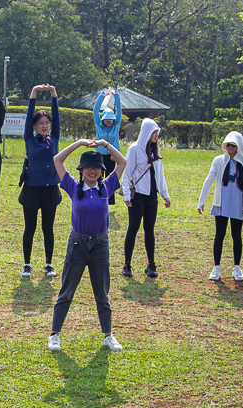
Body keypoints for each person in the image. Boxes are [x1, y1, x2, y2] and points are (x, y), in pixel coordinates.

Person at [48, 139, 127, 353]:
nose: (92, 171)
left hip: (100, 244)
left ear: (101, 171)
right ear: (81, 170)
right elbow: (57, 159)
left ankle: (108, 335)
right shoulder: (73, 186)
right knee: (67, 290)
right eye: (88, 168)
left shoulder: (107, 186)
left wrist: (106, 145)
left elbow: (122, 162)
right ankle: (54, 334)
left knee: (102, 292)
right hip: (77, 243)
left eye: (96, 168)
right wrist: (79, 143)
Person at [198, 132, 243, 281]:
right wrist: (201, 202)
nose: (231, 148)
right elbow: (209, 179)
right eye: (228, 145)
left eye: (234, 145)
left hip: (238, 205)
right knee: (219, 235)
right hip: (221, 204)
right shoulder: (219, 160)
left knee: (236, 236)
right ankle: (216, 267)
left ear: (239, 146)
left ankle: (237, 267)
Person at [120, 118, 171, 278]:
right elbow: (127, 173)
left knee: (149, 230)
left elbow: (160, 174)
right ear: (146, 132)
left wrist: (165, 195)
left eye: (157, 132)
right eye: (153, 132)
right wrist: (127, 194)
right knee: (133, 229)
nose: (156, 135)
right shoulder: (134, 149)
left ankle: (151, 264)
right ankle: (127, 265)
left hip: (151, 196)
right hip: (138, 196)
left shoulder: (156, 150)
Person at [20, 84, 62, 278]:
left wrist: (53, 94)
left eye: (47, 122)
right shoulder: (29, 138)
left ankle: (48, 264)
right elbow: (29, 115)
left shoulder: (54, 139)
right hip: (31, 189)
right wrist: (34, 93)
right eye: (41, 123)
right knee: (30, 228)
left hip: (50, 190)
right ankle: (27, 264)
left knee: (48, 229)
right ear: (35, 126)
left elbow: (57, 115)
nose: (44, 125)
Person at [93, 88, 122, 205]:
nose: (108, 122)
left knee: (111, 175)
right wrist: (102, 96)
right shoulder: (98, 125)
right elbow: (95, 111)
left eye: (111, 120)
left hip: (112, 154)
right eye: (106, 120)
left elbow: (119, 109)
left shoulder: (116, 125)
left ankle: (110, 199)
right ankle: (99, 195)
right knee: (99, 175)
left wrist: (116, 96)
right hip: (100, 153)